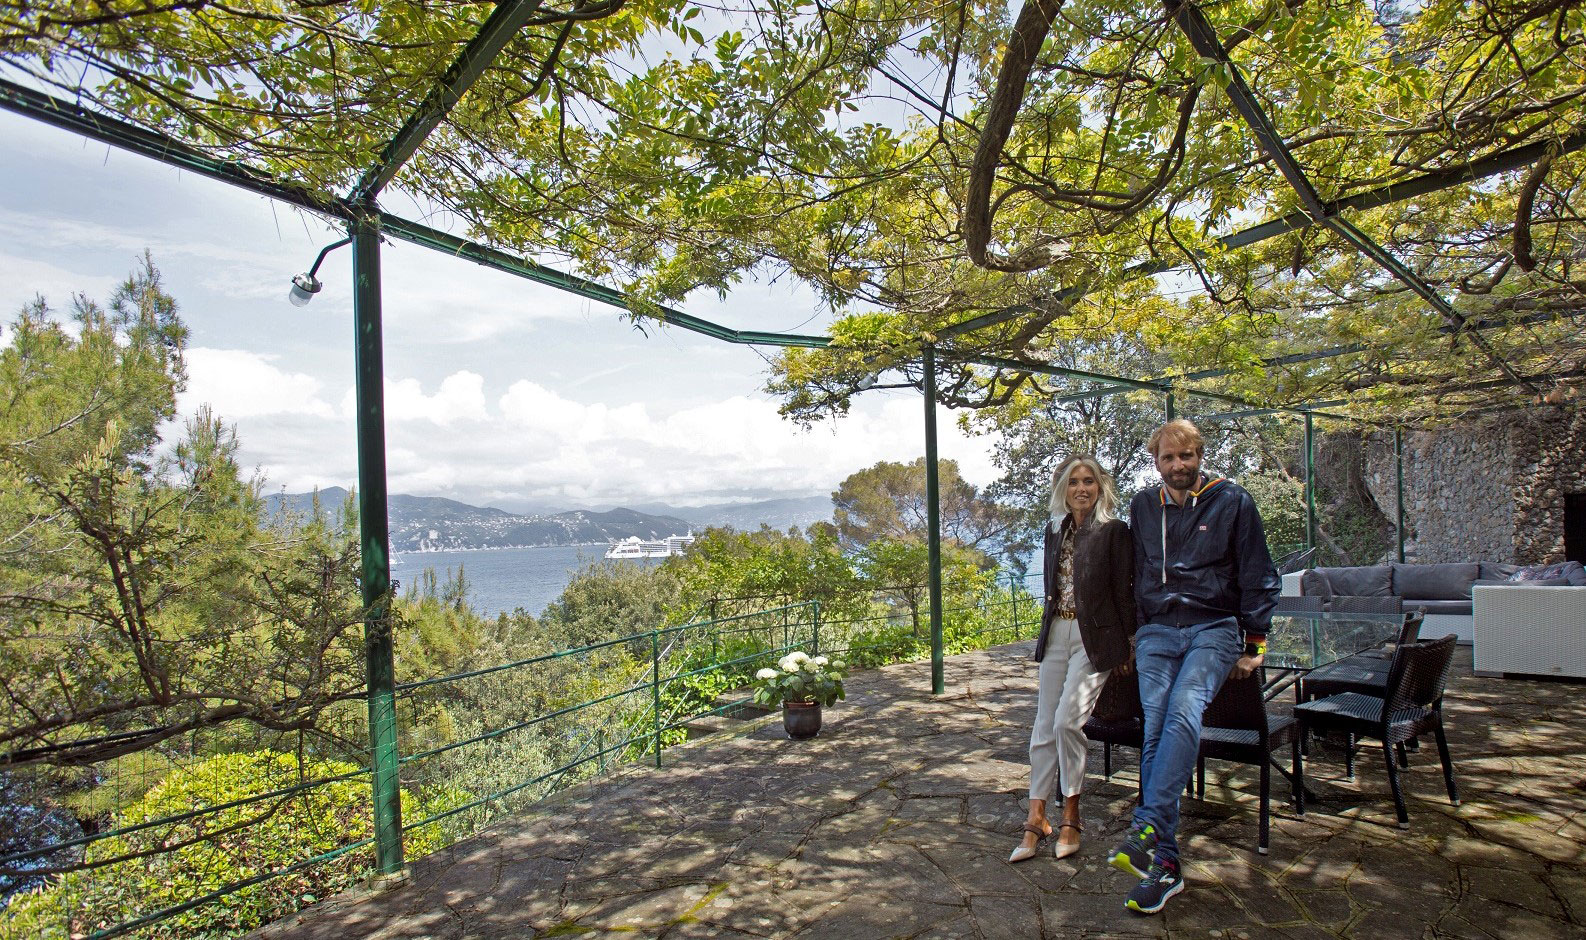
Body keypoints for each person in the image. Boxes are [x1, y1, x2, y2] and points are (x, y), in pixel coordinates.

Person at [1109, 419, 1279, 914]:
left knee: (1184, 710)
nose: (1178, 466)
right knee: (1156, 731)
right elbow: (1137, 571)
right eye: (1168, 458)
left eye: (1187, 456)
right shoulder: (1144, 506)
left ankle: (1147, 824)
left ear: (1199, 455)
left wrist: (1256, 642)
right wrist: (1137, 629)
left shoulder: (1234, 500)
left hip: (1214, 627)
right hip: (1159, 630)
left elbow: (1257, 571)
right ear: (1155, 461)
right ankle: (1164, 864)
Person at [1010, 454, 1136, 863]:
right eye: (1073, 482)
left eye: (1089, 481)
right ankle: (1036, 817)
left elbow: (1124, 591)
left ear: (1100, 487)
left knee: (1068, 721)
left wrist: (1129, 643)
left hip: (1094, 639)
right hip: (1057, 633)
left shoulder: (1114, 532)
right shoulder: (1054, 531)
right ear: (1063, 488)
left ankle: (1072, 813)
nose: (1081, 488)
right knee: (1043, 726)